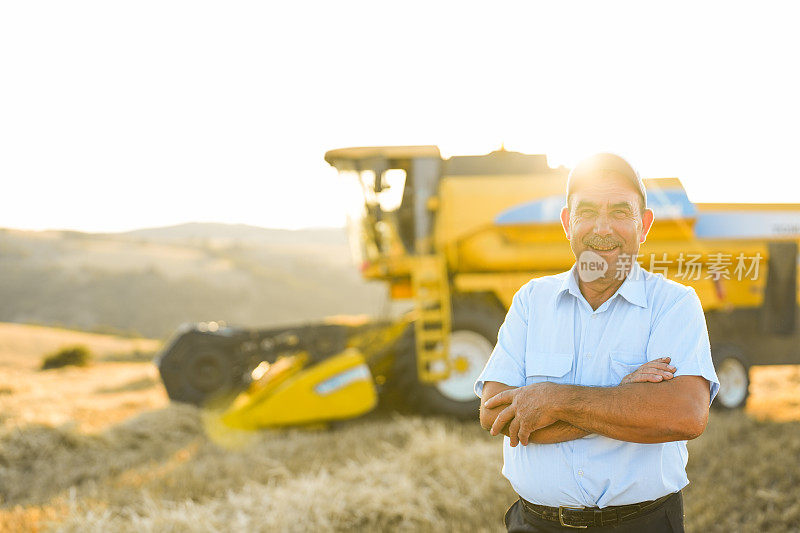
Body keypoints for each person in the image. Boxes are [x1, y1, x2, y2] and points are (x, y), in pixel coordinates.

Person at [475, 153, 719, 532]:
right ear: (566, 222)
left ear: (644, 226)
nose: (602, 227)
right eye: (586, 210)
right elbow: (495, 413)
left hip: (642, 523)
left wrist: (551, 400)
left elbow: (684, 415)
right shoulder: (531, 301)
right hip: (535, 524)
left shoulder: (673, 303)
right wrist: (625, 398)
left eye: (621, 212)